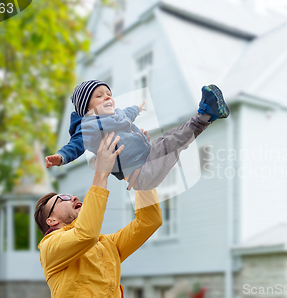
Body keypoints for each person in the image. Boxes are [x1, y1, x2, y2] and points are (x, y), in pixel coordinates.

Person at [34, 132, 163, 298]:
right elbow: (86, 234)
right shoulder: (49, 247)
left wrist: (138, 169)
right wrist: (101, 172)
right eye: (62, 199)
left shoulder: (108, 244)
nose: (73, 197)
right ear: (51, 220)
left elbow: (150, 220)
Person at [44, 80, 229, 190]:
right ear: (87, 108)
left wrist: (138, 108)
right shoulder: (89, 126)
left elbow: (128, 112)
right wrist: (60, 157)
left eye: (109, 94)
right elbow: (75, 145)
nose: (107, 97)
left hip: (148, 153)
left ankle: (206, 113)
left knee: (170, 138)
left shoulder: (116, 115)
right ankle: (205, 115)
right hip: (140, 174)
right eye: (99, 96)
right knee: (174, 143)